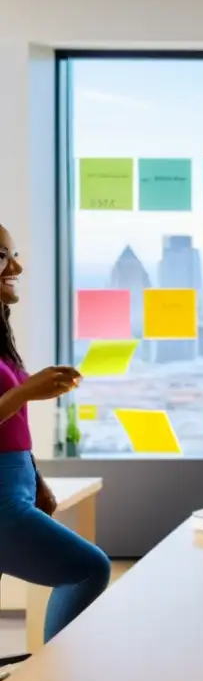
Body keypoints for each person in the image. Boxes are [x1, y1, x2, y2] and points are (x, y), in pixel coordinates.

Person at [0, 224, 111, 643]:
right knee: (88, 568)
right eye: (2, 256)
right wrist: (26, 390)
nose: (17, 266)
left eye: (13, 253)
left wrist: (37, 481)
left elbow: (11, 426)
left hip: (14, 485)